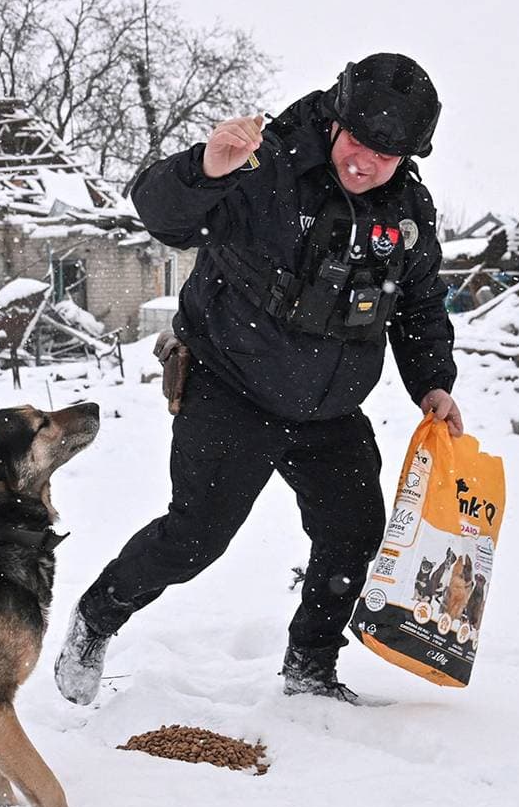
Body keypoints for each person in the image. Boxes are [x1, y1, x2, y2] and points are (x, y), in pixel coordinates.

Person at [55, 53, 463, 706]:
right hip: (231, 385)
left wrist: (433, 383)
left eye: (387, 154)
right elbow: (162, 214)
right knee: (195, 539)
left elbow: (418, 305)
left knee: (354, 531)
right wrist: (206, 167)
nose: (366, 162)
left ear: (410, 156)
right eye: (359, 141)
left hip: (329, 409)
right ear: (336, 121)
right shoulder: (265, 164)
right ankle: (96, 617)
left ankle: (311, 666)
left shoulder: (408, 208)